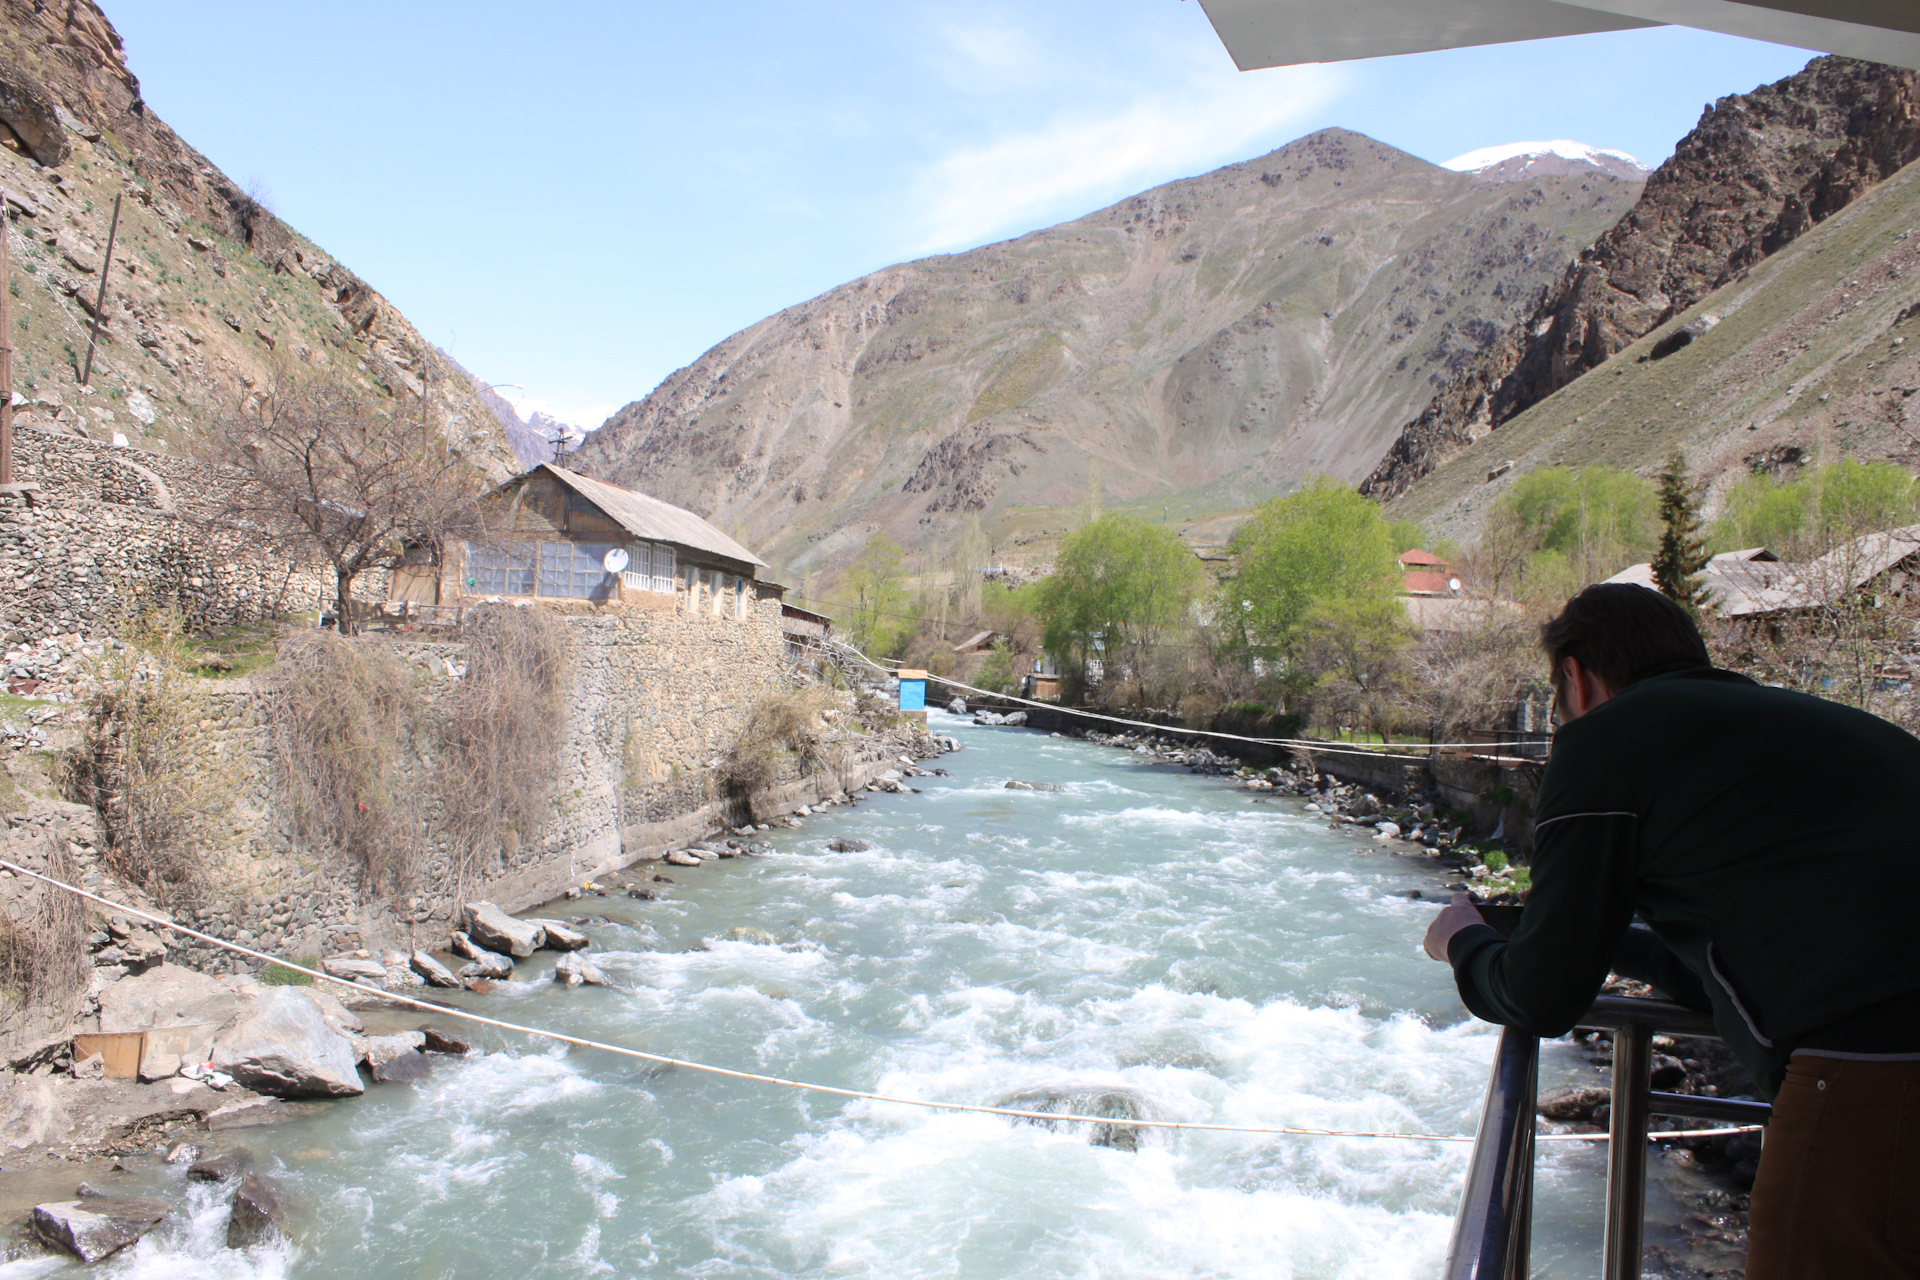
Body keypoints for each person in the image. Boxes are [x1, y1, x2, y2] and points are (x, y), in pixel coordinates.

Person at [1421, 582, 1920, 1280]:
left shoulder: (1602, 739)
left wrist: (1462, 944)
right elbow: (1733, 959)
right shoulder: (1826, 725)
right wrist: (1606, 943)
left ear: (1576, 677)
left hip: (1873, 1075)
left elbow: (1541, 999)